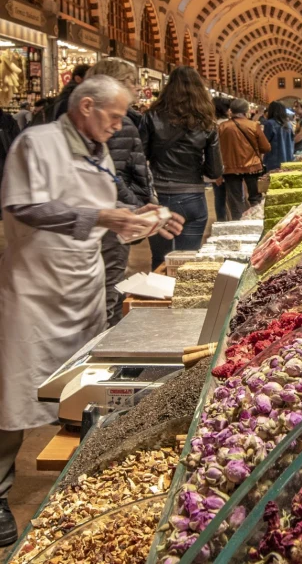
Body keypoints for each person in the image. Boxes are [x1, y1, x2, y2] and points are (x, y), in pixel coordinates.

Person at [0, 75, 184, 545]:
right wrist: (101, 217)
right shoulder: (35, 143)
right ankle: (0, 494)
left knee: (80, 389)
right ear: (86, 106)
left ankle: (79, 479)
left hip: (81, 285)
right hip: (34, 289)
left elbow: (107, 199)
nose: (121, 125)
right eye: (116, 116)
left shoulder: (96, 147)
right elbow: (24, 206)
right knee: (16, 393)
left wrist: (145, 214)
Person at [87, 59, 154, 327]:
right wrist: (133, 209)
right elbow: (111, 175)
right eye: (131, 81)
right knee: (111, 289)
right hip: (113, 216)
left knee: (105, 286)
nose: (137, 88)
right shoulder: (116, 121)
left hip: (105, 213)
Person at [140, 66, 223, 270]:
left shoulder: (151, 117)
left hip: (159, 198)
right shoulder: (207, 123)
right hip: (193, 197)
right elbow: (214, 171)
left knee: (160, 260)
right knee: (187, 264)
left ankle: (157, 300)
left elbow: (139, 158)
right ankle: (184, 301)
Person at [218, 98, 270, 218]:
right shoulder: (253, 125)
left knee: (235, 199)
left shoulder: (222, 127)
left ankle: (239, 223)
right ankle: (256, 219)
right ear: (246, 111)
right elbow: (266, 147)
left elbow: (217, 149)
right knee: (255, 198)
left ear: (231, 110)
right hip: (253, 167)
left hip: (229, 168)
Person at [211, 97, 232, 221]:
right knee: (234, 198)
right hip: (233, 167)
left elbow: (215, 152)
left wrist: (216, 173)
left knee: (219, 198)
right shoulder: (231, 125)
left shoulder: (212, 126)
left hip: (219, 167)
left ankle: (222, 223)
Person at [262, 101, 294, 172]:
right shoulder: (289, 124)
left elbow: (265, 142)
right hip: (288, 159)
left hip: (274, 160)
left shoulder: (270, 123)